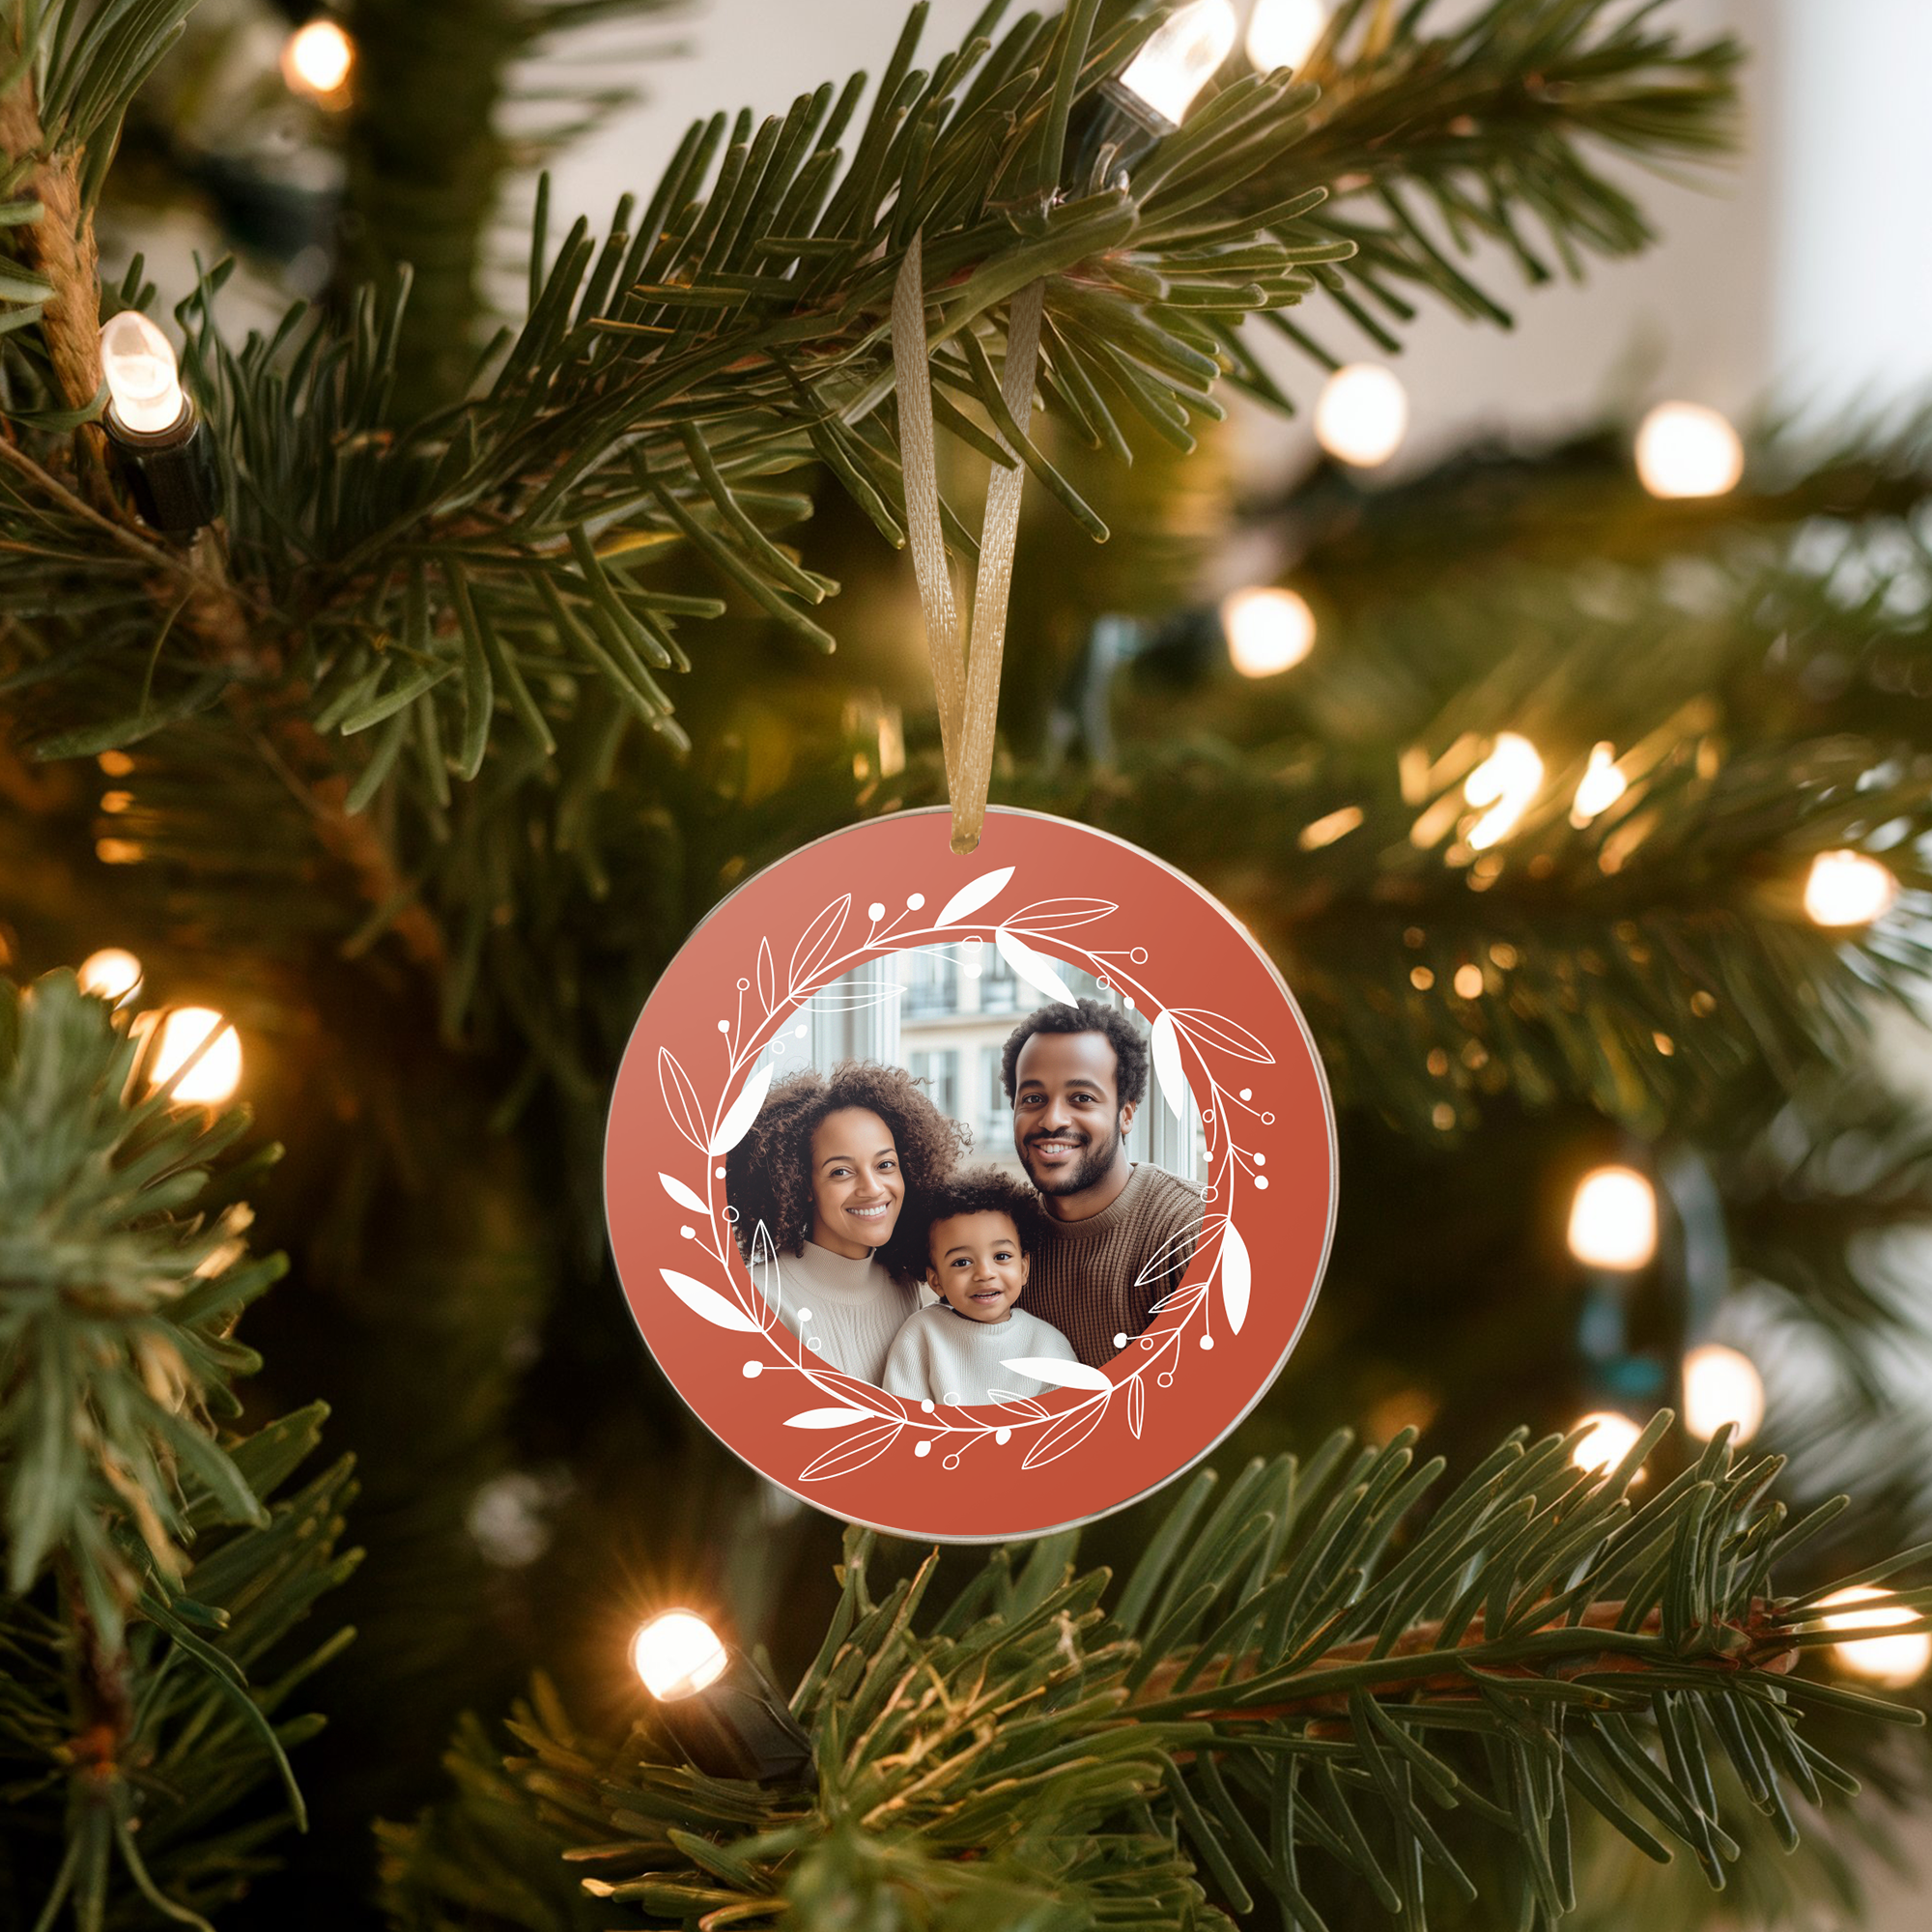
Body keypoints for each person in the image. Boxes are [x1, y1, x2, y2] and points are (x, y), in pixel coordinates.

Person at [724, 1062, 966, 1384]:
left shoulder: (906, 1285)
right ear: (804, 1184)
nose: (873, 1188)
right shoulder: (760, 1299)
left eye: (885, 1165)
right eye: (841, 1171)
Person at [1003, 997, 1205, 1369]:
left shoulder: (1193, 1231)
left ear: (1125, 1114)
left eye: (1081, 1098)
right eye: (1033, 1098)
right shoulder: (1001, 1241)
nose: (1052, 1120)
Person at [880, 1169, 1080, 1406]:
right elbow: (902, 1416)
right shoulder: (922, 1334)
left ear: (1023, 1268)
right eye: (962, 1262)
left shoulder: (1047, 1344)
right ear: (936, 1281)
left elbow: (1068, 1420)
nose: (985, 1273)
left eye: (1001, 1256)